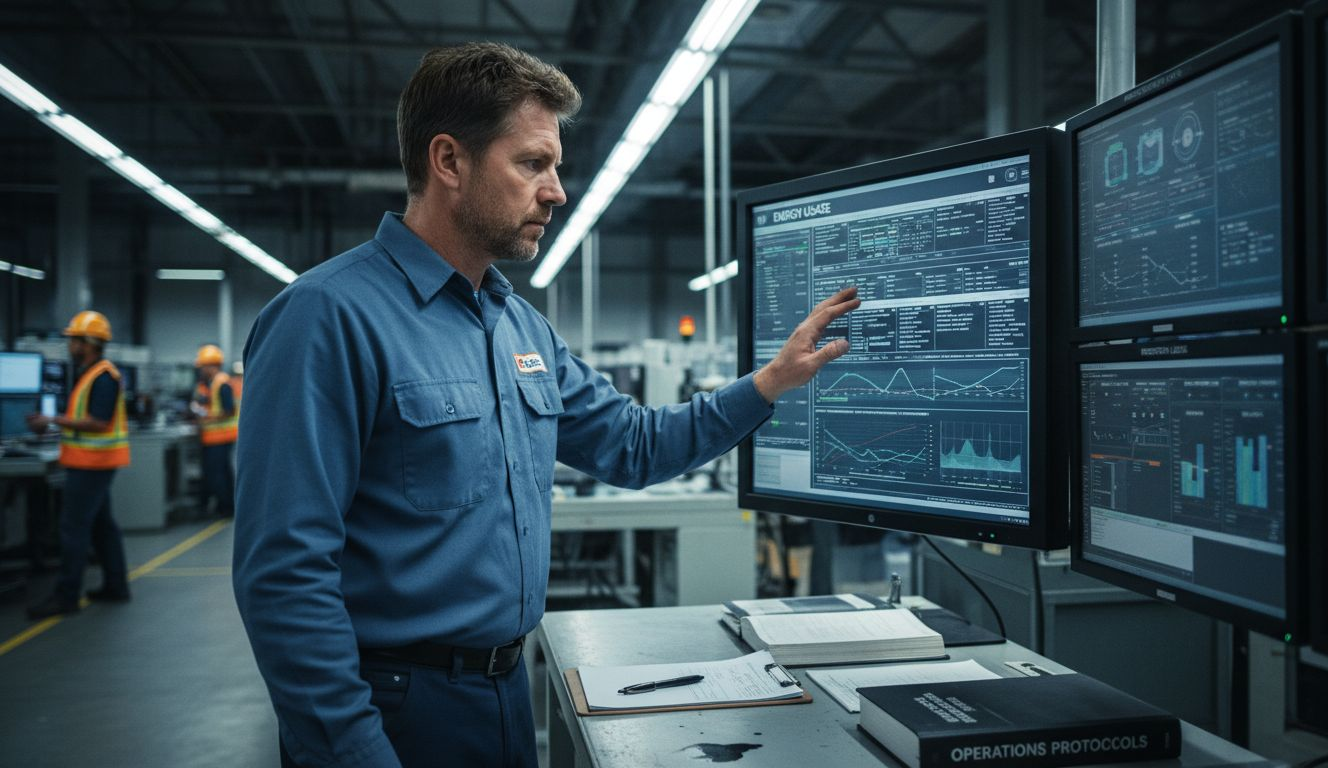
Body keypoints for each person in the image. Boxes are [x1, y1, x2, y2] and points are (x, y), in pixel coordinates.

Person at [232, 42, 860, 768]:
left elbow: (634, 446)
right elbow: (284, 575)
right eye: (533, 163)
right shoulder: (326, 317)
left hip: (506, 696)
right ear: (449, 161)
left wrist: (769, 383)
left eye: (553, 167)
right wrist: (352, 750)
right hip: (395, 709)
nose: (557, 189)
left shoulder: (519, 327)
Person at [25, 310, 132, 619]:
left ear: (89, 342)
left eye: (74, 340)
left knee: (73, 529)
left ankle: (66, 595)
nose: (70, 346)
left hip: (91, 463)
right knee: (102, 526)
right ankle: (116, 585)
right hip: (91, 462)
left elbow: (98, 423)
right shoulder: (91, 374)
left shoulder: (103, 377)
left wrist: (52, 421)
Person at [191, 344, 237, 517]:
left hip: (220, 437)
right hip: (213, 437)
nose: (201, 370)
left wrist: (206, 418)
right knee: (222, 473)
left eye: (203, 366)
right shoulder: (209, 384)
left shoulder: (222, 383)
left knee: (217, 474)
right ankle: (224, 506)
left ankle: (225, 508)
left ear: (212, 365)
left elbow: (228, 410)